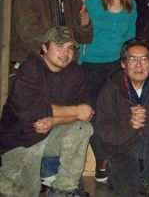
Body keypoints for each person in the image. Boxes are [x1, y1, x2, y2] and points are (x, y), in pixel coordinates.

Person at [0, 26, 94, 197]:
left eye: (70, 48)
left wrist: (55, 121)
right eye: (59, 46)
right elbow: (32, 111)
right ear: (44, 47)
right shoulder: (30, 68)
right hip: (21, 138)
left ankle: (64, 189)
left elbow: (85, 112)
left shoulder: (75, 72)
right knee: (24, 192)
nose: (65, 53)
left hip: (51, 134)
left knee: (82, 128)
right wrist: (74, 111)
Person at [79, 0, 137, 183]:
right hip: (91, 65)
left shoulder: (131, 5)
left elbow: (130, 40)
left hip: (117, 66)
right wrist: (82, 24)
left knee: (116, 114)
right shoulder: (92, 2)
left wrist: (130, 67)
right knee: (91, 113)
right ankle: (102, 159)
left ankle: (117, 163)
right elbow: (81, 32)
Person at [95, 39, 149, 197]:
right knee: (128, 191)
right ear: (123, 64)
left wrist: (147, 115)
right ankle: (117, 174)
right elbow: (103, 129)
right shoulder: (111, 87)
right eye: (132, 59)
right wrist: (130, 124)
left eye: (144, 59)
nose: (138, 65)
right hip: (122, 144)